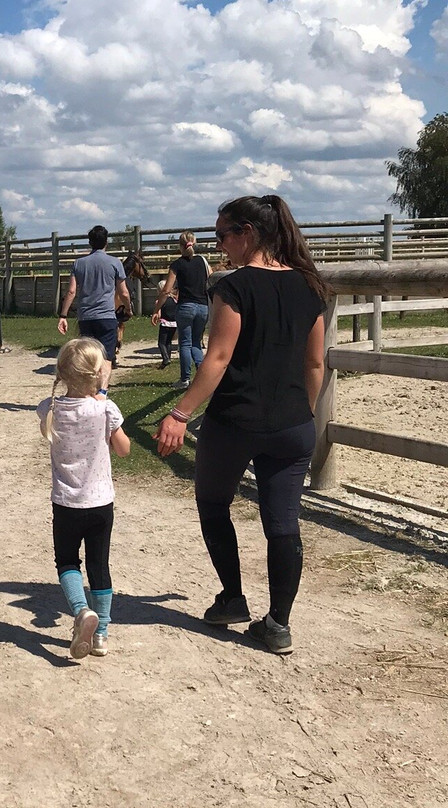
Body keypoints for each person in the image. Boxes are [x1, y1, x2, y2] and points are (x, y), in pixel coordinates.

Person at [154, 195, 330, 655]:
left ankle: (232, 598)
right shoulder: (311, 287)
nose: (219, 245)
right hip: (293, 425)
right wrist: (303, 414)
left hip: (234, 421)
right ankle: (278, 625)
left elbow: (218, 357)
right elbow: (315, 363)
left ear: (247, 233)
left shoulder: (232, 288)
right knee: (283, 523)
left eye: (223, 235)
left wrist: (179, 413)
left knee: (213, 504)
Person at [37, 338, 131, 659]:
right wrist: (102, 393)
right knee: (98, 565)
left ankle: (81, 611)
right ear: (98, 374)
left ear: (61, 374)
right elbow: (123, 449)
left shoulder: (49, 409)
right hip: (101, 504)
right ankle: (101, 633)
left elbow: (46, 427)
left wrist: (96, 391)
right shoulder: (105, 409)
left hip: (66, 504)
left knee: (67, 561)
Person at [57, 226, 132, 377]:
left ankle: (89, 390)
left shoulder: (79, 263)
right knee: (106, 359)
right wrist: (128, 308)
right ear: (106, 242)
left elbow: (71, 291)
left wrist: (63, 316)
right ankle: (102, 392)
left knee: (89, 358)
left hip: (86, 318)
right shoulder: (115, 263)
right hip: (107, 317)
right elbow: (123, 292)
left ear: (90, 242)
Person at [152, 231, 211, 389]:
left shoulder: (177, 264)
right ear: (194, 243)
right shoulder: (203, 261)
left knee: (184, 344)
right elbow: (212, 280)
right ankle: (202, 376)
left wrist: (157, 309)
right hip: (203, 306)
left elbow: (166, 290)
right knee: (196, 343)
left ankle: (185, 379)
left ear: (180, 246)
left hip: (185, 306)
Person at [151, 281, 179, 369]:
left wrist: (156, 318)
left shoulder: (159, 301)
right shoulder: (175, 299)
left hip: (165, 323)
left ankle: (165, 359)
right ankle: (168, 358)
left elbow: (158, 314)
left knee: (161, 343)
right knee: (169, 342)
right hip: (174, 324)